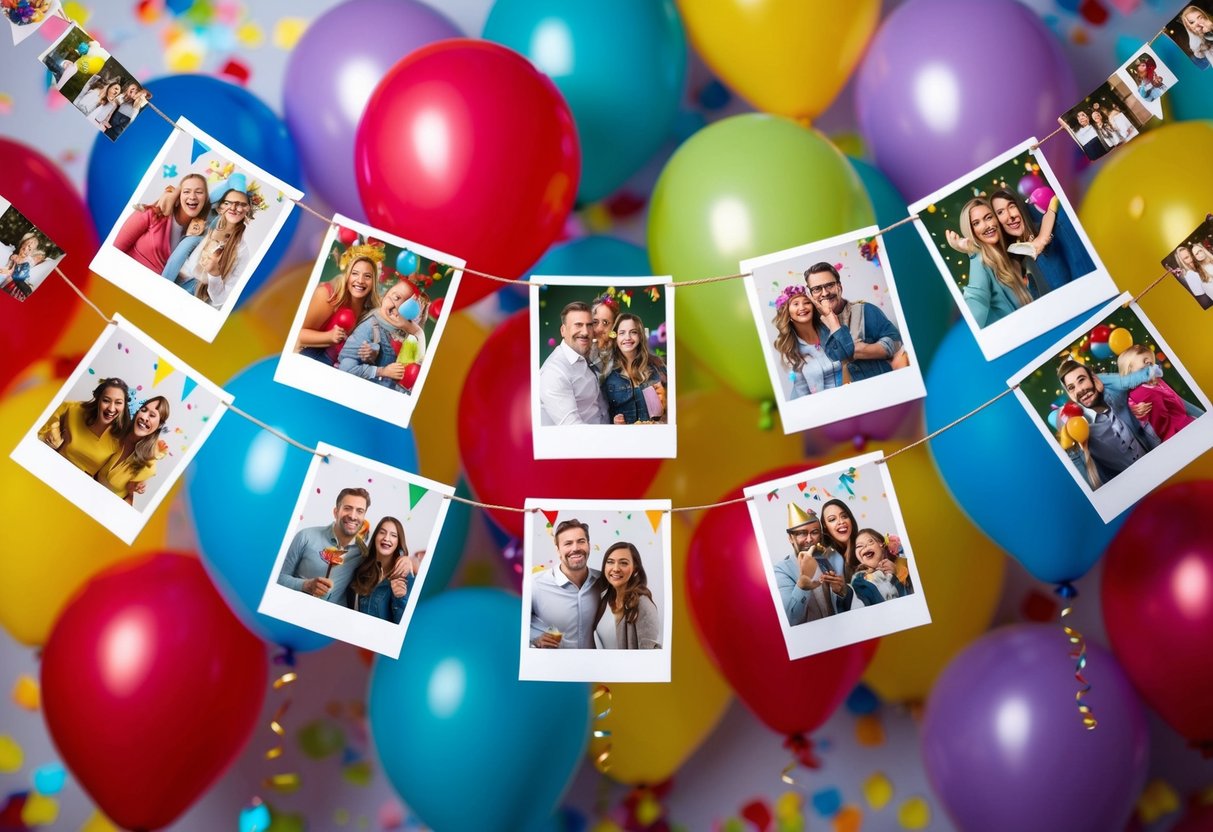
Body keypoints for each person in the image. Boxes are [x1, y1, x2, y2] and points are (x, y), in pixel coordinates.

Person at [804, 262, 903, 383]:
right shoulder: (810, 327)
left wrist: (866, 350)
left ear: (839, 286)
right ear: (810, 294)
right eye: (817, 289)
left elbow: (896, 341)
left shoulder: (865, 310)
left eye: (830, 285)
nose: (825, 293)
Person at [950, 197, 1034, 327]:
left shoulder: (1008, 255)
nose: (986, 226)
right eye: (976, 223)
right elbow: (975, 311)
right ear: (970, 231)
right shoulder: (980, 261)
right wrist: (971, 253)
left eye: (988, 217)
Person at [276, 487, 370, 602]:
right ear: (336, 512)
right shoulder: (305, 536)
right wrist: (306, 585)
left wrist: (400, 556)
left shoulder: (362, 553)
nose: (353, 516)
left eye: (359, 511)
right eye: (347, 508)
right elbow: (278, 578)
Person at [296, 246, 382, 365]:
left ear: (373, 282)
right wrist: (328, 337)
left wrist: (370, 354)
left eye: (367, 276)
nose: (360, 280)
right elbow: (297, 334)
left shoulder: (370, 313)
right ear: (347, 275)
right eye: (355, 273)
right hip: (312, 359)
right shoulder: (328, 295)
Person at [772, 503, 856, 624]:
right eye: (802, 533)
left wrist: (841, 592)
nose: (810, 539)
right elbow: (791, 619)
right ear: (790, 538)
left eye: (815, 532)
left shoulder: (831, 559)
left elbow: (845, 607)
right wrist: (803, 584)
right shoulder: (781, 570)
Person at [113, 172, 209, 274]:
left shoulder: (196, 235)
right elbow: (114, 251)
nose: (193, 196)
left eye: (199, 192)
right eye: (186, 191)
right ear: (178, 195)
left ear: (205, 198)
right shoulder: (149, 214)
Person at [338, 280, 426, 390]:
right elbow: (346, 368)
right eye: (396, 298)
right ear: (385, 295)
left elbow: (419, 369)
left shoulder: (406, 333)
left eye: (407, 305)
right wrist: (382, 371)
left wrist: (418, 332)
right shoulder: (369, 327)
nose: (399, 307)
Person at [175, 186, 253, 307]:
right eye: (228, 203)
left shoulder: (242, 251)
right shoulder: (204, 225)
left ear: (248, 209)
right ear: (220, 207)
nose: (233, 208)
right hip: (175, 278)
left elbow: (221, 299)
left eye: (240, 204)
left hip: (197, 295)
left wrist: (214, 273)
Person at [530, 518, 601, 649]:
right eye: (568, 543)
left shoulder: (604, 581)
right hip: (554, 667)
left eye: (581, 541)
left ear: (589, 545)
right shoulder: (535, 584)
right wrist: (535, 637)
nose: (576, 548)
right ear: (558, 550)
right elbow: (514, 621)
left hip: (594, 667)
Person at [37, 377, 130, 476]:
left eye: (118, 403)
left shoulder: (122, 439)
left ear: (124, 406)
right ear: (98, 399)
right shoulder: (73, 409)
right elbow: (45, 423)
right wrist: (53, 432)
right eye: (106, 400)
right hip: (49, 469)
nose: (111, 408)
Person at [538, 301, 608, 425]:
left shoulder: (586, 355)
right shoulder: (554, 372)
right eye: (578, 325)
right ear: (563, 330)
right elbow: (573, 429)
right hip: (586, 442)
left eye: (589, 325)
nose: (585, 332)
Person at [1117, 345, 1200, 442]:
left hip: (1184, 422)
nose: (1150, 363)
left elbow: (1177, 402)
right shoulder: (1138, 393)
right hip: (1174, 434)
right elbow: (1156, 424)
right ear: (1129, 368)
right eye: (1144, 361)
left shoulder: (1158, 381)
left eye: (1151, 363)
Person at [772, 283, 842, 398]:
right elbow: (801, 391)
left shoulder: (830, 326)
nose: (802, 307)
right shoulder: (790, 348)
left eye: (807, 302)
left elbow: (849, 356)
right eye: (795, 304)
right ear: (787, 312)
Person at [95, 396, 169, 504]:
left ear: (159, 425)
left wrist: (135, 487)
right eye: (143, 410)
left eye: (152, 415)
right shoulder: (115, 430)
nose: (144, 417)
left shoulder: (148, 464)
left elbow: (129, 495)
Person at [346, 516, 416, 624]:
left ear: (398, 542)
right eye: (382, 532)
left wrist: (400, 598)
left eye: (393, 535)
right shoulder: (362, 569)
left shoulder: (406, 576)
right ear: (375, 537)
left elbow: (405, 625)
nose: (386, 538)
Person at [591, 542, 660, 649]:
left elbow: (649, 655)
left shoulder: (642, 604)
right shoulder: (604, 599)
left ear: (635, 569)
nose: (616, 568)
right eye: (610, 562)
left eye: (623, 563)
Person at [601, 313, 667, 423]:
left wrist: (664, 410)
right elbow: (602, 414)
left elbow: (674, 407)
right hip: (623, 438)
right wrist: (615, 423)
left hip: (654, 436)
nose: (627, 337)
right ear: (616, 337)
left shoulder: (657, 366)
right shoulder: (607, 373)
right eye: (622, 333)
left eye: (633, 332)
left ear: (640, 336)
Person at [849, 529, 911, 605]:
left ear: (881, 544)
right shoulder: (858, 581)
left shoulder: (903, 566)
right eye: (859, 546)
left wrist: (897, 574)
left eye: (870, 542)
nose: (865, 546)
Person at [0, 233, 48, 300]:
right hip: (10, 279)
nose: (26, 249)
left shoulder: (27, 261)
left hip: (15, 284)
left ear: (32, 252)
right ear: (23, 244)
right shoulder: (14, 256)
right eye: (26, 245)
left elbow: (17, 274)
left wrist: (8, 271)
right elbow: (9, 267)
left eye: (30, 249)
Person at [589, 296, 618, 370]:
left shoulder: (621, 356)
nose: (599, 329)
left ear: (614, 327)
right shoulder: (579, 351)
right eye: (595, 322)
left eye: (605, 323)